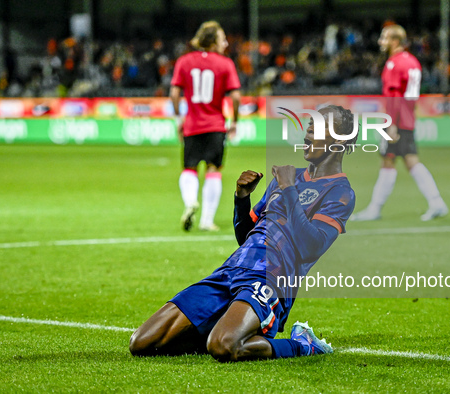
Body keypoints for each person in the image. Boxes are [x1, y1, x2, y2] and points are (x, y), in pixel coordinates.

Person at [129, 105, 356, 361]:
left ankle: (303, 344)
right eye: (310, 126)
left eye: (319, 127)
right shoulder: (287, 178)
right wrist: (242, 198)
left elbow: (311, 247)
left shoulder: (339, 192)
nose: (308, 132)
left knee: (224, 346)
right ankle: (224, 323)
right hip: (232, 270)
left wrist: (289, 188)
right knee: (142, 342)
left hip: (271, 278)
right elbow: (245, 236)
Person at [351, 24, 448, 222]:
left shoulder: (394, 64)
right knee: (410, 160)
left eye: (384, 38)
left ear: (395, 41)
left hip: (396, 120)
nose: (380, 42)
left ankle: (375, 209)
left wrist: (391, 123)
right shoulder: (413, 62)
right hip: (408, 118)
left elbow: (394, 95)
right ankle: (437, 202)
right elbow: (411, 95)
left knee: (389, 160)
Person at [171, 21, 241, 231]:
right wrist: (235, 120)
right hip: (216, 125)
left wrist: (178, 118)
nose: (226, 43)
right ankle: (206, 221)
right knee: (214, 169)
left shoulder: (184, 61)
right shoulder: (225, 63)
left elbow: (174, 93)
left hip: (192, 125)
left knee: (189, 168)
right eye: (222, 39)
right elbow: (236, 96)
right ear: (212, 42)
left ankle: (190, 201)